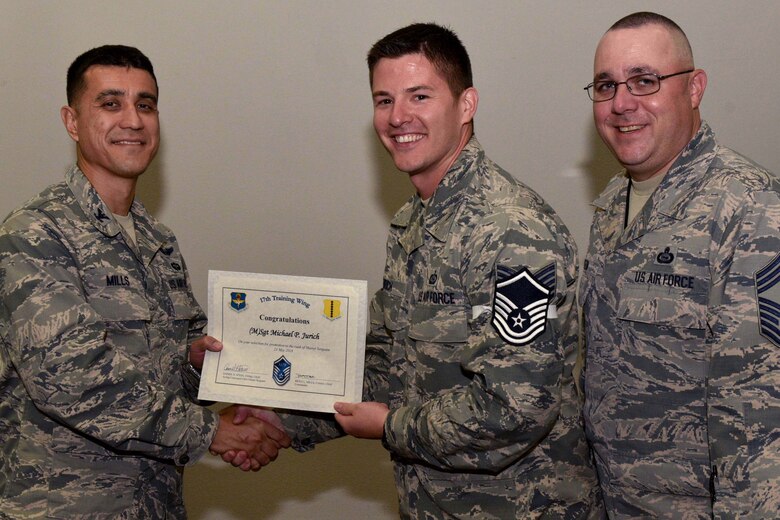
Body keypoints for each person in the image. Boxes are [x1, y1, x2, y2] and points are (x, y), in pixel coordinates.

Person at [227, 23, 601, 518]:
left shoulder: (512, 231)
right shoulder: (411, 223)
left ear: (466, 105)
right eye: (384, 100)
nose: (398, 117)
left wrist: (389, 427)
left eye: (419, 95)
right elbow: (389, 367)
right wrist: (282, 418)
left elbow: (515, 408)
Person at [0, 45, 290, 518]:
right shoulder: (34, 234)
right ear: (72, 121)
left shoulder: (158, 241)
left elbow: (169, 364)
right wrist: (212, 432)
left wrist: (198, 362)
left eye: (146, 104)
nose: (133, 120)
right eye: (110, 104)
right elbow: (73, 379)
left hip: (156, 504)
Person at [580, 11, 780, 518]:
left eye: (645, 81)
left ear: (694, 88)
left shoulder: (750, 209)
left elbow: (761, 419)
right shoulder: (611, 208)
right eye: (606, 85)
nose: (622, 103)